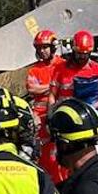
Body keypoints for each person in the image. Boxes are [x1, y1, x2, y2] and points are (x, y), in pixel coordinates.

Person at [52, 30, 98, 177]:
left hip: (88, 123)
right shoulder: (60, 70)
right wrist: (50, 116)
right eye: (79, 54)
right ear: (73, 50)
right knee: (66, 160)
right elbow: (52, 96)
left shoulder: (96, 69)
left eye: (86, 54)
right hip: (66, 123)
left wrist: (89, 109)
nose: (82, 57)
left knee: (96, 156)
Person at [25, 29, 65, 183]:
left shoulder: (62, 65)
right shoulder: (35, 69)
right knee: (42, 152)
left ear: (53, 46)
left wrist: (46, 87)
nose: (41, 51)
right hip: (39, 115)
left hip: (59, 113)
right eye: (39, 48)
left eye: (45, 47)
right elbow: (32, 88)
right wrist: (53, 85)